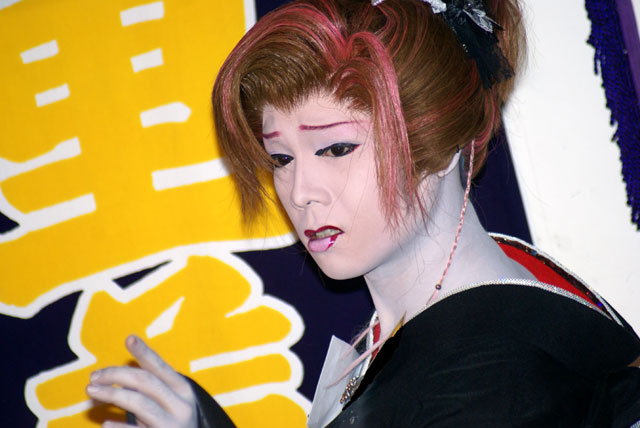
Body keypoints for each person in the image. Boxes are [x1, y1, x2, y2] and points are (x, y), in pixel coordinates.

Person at [86, 0, 640, 426]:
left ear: (440, 147)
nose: (300, 192)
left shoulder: (489, 377)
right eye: (281, 158)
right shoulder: (488, 283)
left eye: (336, 149)